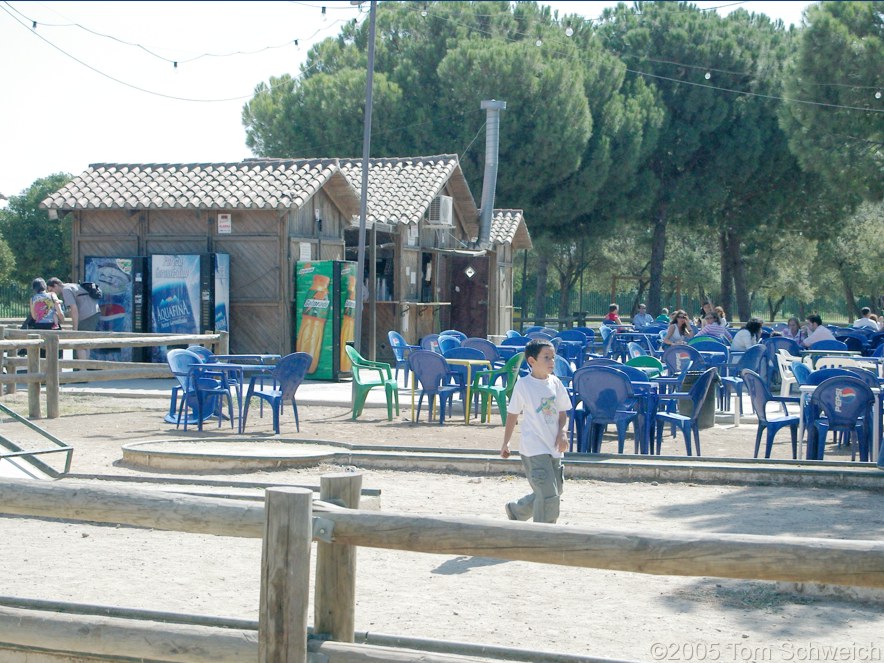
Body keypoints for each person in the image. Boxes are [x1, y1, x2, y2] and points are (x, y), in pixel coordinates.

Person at [500, 338, 572, 524]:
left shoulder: (555, 383)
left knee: (556, 490)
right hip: (534, 449)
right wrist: (506, 442)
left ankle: (517, 510)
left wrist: (563, 432)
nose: (552, 362)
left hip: (554, 447)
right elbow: (513, 414)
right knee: (548, 495)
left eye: (553, 357)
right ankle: (543, 536)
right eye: (546, 357)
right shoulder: (523, 385)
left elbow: (563, 412)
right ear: (532, 361)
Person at [48, 276, 102, 360]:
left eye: (51, 290)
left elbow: (74, 309)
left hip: (86, 316)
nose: (52, 293)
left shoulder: (65, 290)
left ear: (55, 285)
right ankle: (83, 368)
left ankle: (82, 369)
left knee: (80, 343)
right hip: (94, 312)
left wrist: (75, 329)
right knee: (85, 343)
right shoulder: (71, 285)